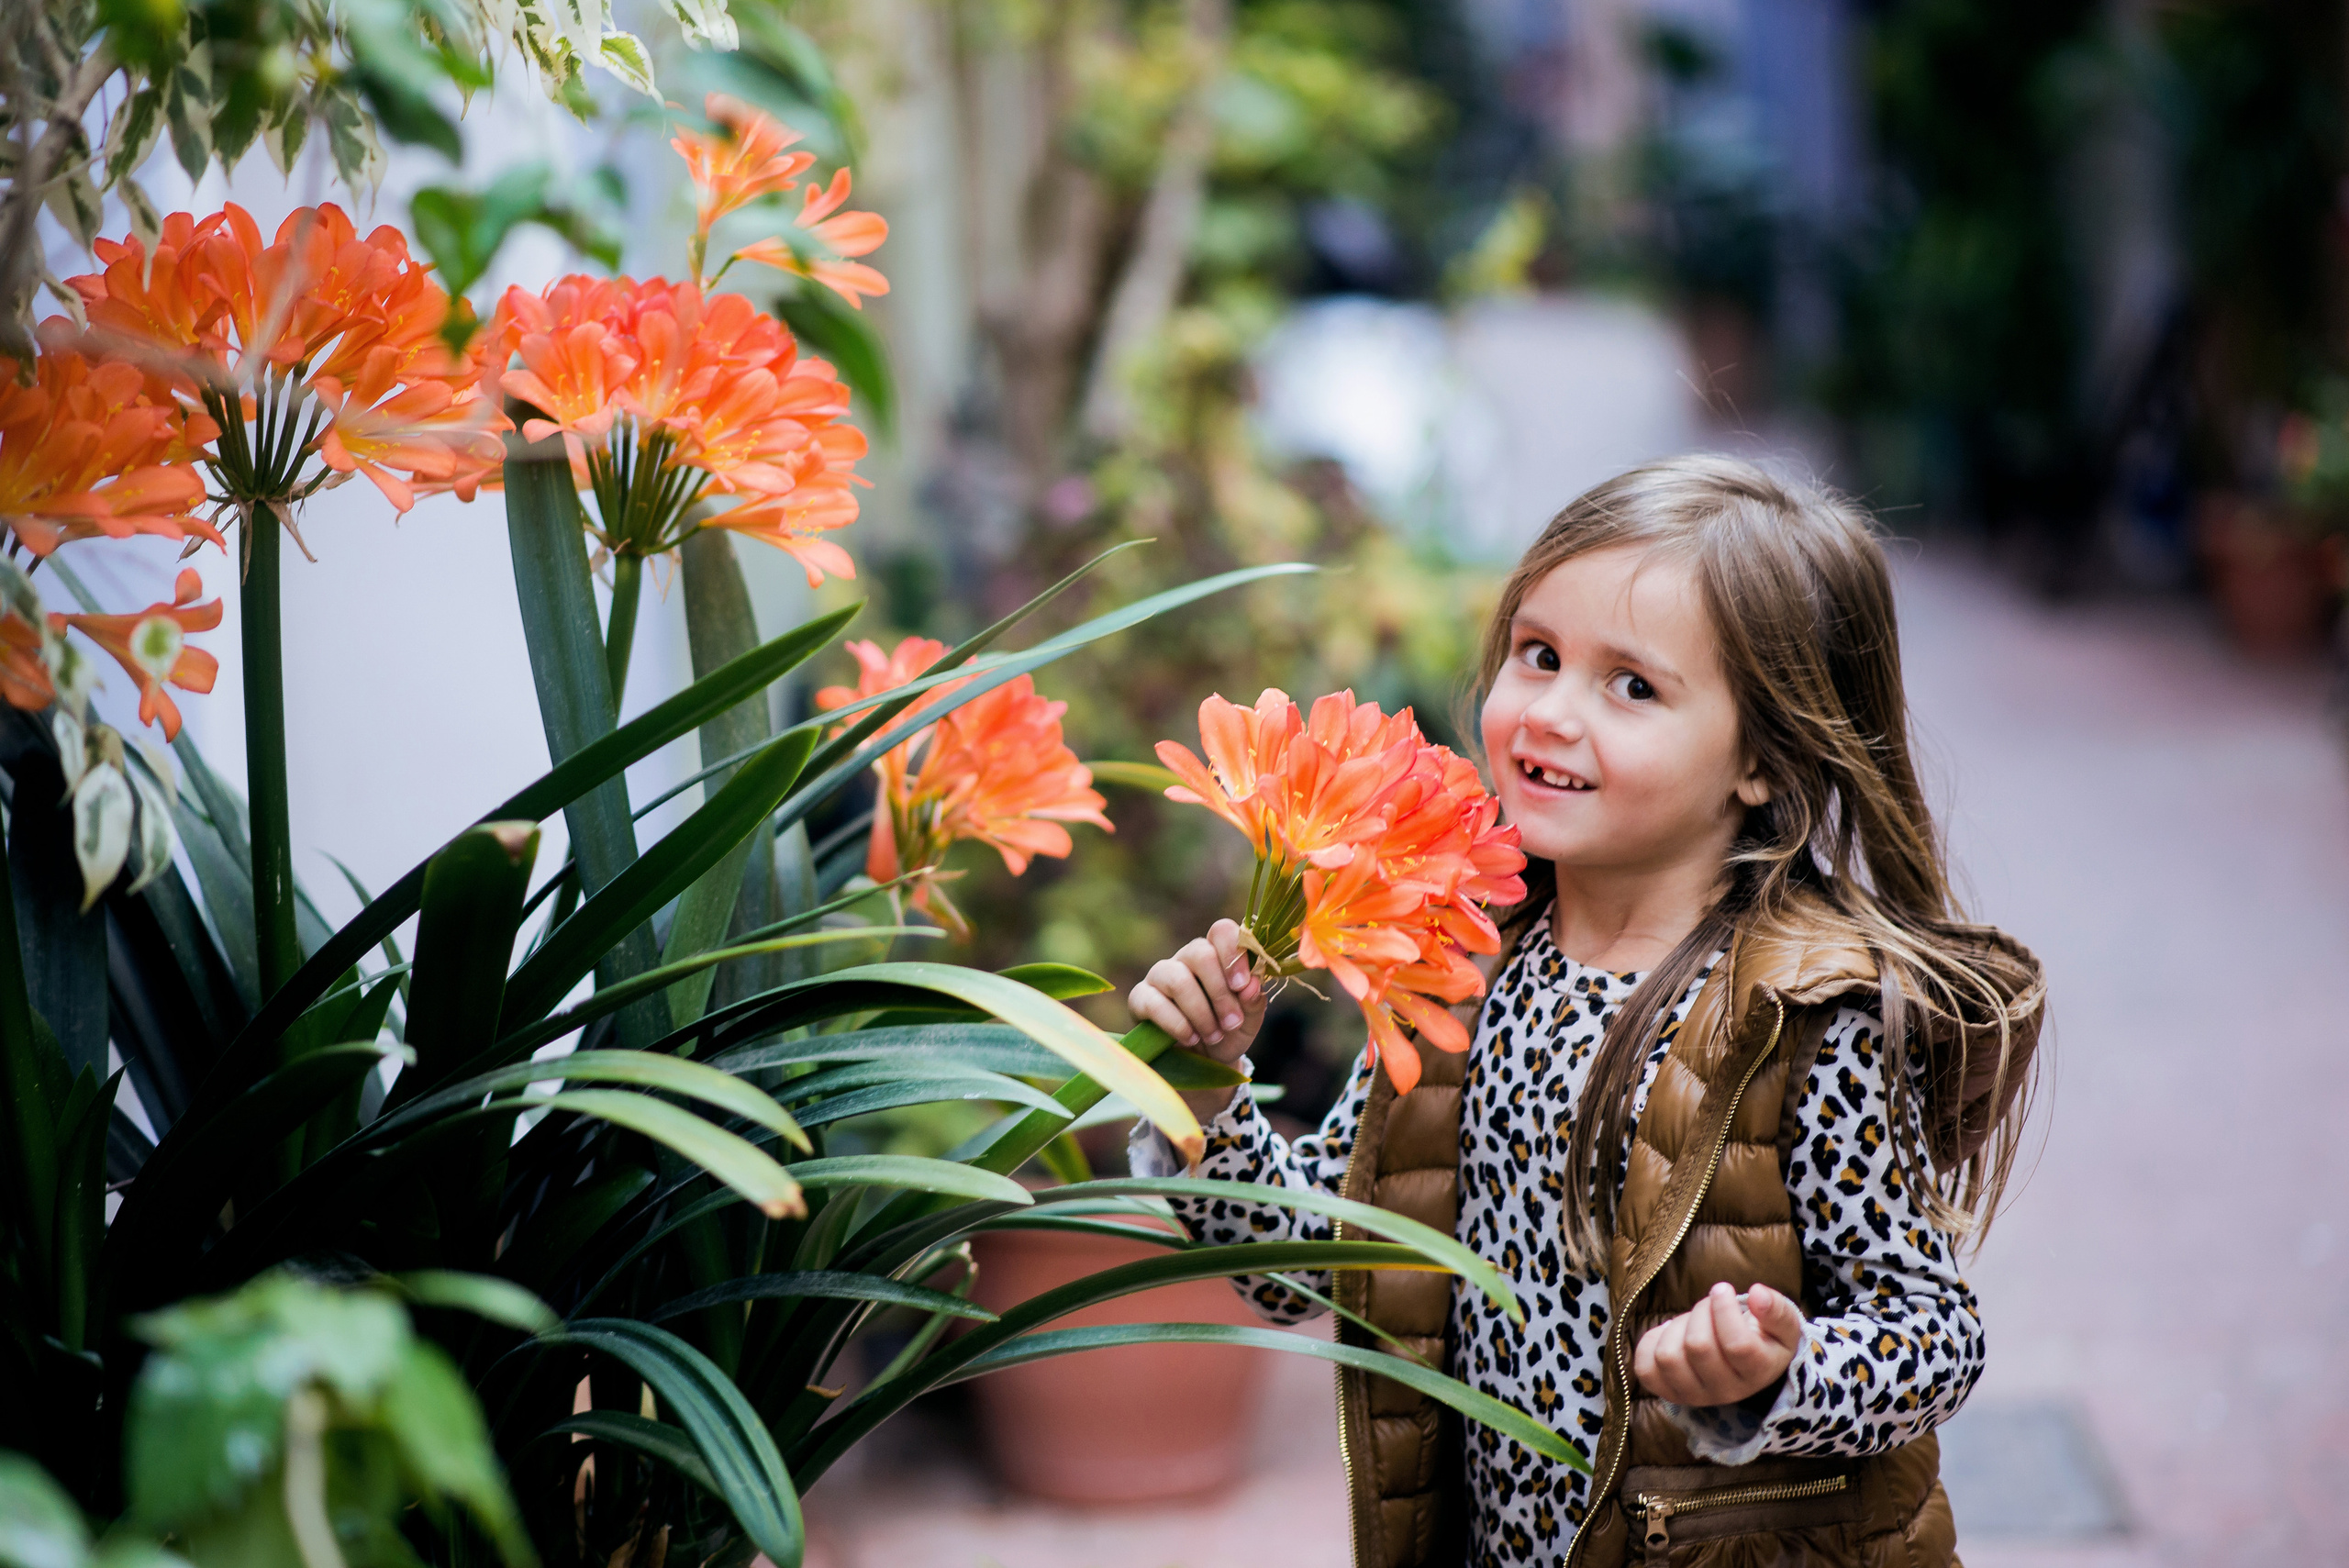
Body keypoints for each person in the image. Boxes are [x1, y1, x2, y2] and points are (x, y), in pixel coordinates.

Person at [1124, 455, 2046, 1568]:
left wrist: (1777, 1372)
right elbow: (1301, 1264)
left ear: (1761, 756)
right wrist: (1198, 1092)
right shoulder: (1450, 960)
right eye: (1539, 654)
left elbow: (1935, 1335)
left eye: (1632, 686)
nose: (1549, 712)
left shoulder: (1805, 1017)